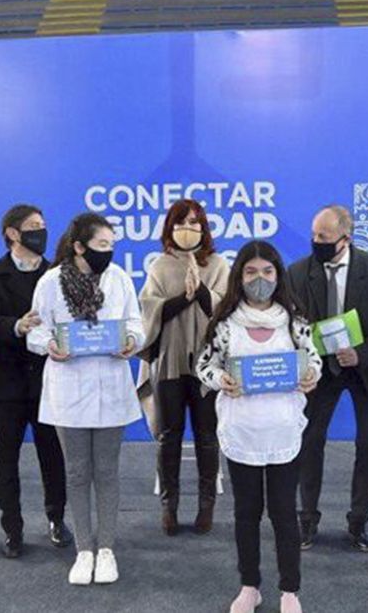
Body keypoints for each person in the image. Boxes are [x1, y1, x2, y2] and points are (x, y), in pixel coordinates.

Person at [196, 240, 322, 613]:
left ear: (278, 274)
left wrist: (311, 374)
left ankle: (290, 590)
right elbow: (204, 366)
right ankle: (249, 586)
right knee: (246, 513)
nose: (260, 278)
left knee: (284, 512)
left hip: (283, 430)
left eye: (267, 271)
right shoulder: (223, 323)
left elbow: (312, 358)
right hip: (242, 431)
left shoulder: (294, 320)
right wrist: (221, 380)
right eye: (251, 272)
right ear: (239, 276)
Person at [28, 212, 144, 587]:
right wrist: (48, 345)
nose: (107, 253)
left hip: (110, 384)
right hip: (69, 388)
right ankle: (84, 549)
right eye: (101, 246)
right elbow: (36, 328)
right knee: (77, 472)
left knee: (107, 471)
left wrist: (131, 342)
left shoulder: (120, 278)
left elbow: (135, 324)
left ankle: (106, 548)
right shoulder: (50, 283)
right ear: (79, 247)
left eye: (111, 246)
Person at [289, 205, 368, 552]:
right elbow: (292, 326)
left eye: (323, 238)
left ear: (346, 239)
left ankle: (359, 521)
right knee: (310, 441)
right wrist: (310, 355)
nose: (316, 242)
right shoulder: (297, 273)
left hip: (366, 370)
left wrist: (362, 352)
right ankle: (306, 519)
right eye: (313, 235)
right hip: (319, 371)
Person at [0, 203, 71, 558]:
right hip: (8, 381)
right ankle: (12, 528)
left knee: (53, 455)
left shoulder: (58, 274)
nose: (41, 232)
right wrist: (18, 325)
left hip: (49, 379)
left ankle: (56, 519)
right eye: (33, 227)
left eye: (43, 226)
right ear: (12, 233)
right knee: (7, 456)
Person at [138, 199, 230, 535]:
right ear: (169, 228)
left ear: (204, 228)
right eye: (180, 222)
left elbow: (224, 308)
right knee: (169, 436)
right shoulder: (160, 266)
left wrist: (201, 291)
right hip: (169, 362)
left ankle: (207, 507)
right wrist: (182, 298)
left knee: (207, 435)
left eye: (194, 223)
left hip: (207, 363)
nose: (187, 229)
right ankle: (169, 506)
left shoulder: (219, 264)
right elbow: (149, 309)